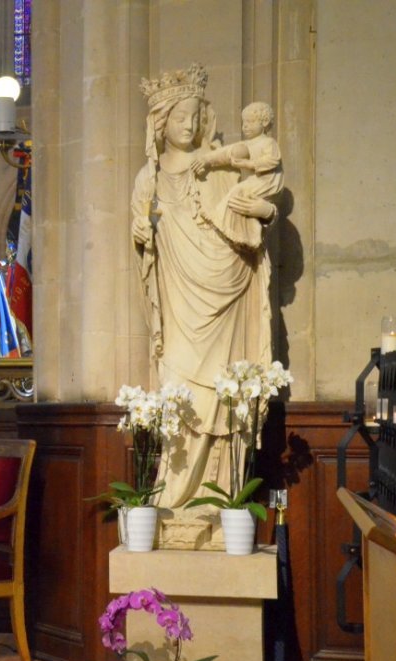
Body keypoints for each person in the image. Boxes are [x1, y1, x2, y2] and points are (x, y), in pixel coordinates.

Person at [130, 64, 277, 513]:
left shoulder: (218, 166)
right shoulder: (148, 178)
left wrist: (263, 213)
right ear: (161, 122)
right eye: (180, 118)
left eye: (195, 117)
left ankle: (221, 496)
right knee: (179, 385)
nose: (189, 126)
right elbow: (141, 229)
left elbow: (253, 214)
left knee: (222, 389)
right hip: (179, 298)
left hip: (226, 286)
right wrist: (142, 229)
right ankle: (174, 492)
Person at [191, 101, 283, 249]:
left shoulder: (268, 143)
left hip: (266, 183)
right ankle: (225, 225)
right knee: (238, 194)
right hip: (206, 248)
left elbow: (270, 161)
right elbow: (227, 152)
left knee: (238, 193)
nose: (245, 126)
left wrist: (267, 211)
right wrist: (207, 159)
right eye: (244, 122)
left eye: (250, 122)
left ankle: (232, 228)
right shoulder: (245, 145)